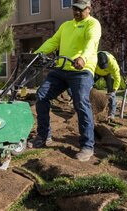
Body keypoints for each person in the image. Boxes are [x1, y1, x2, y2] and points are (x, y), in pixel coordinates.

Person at [27, 0, 101, 162]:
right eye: (75, 9)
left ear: (89, 9)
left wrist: (83, 58)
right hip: (62, 69)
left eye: (81, 9)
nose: (77, 12)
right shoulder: (66, 26)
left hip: (82, 70)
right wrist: (36, 55)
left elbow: (91, 43)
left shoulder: (93, 24)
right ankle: (44, 136)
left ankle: (87, 145)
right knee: (42, 95)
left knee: (81, 102)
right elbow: (53, 42)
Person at [95, 51, 121, 119]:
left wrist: (114, 89)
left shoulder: (113, 63)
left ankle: (111, 114)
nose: (104, 67)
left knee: (111, 93)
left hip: (108, 74)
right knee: (87, 86)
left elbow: (117, 77)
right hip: (95, 72)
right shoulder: (93, 58)